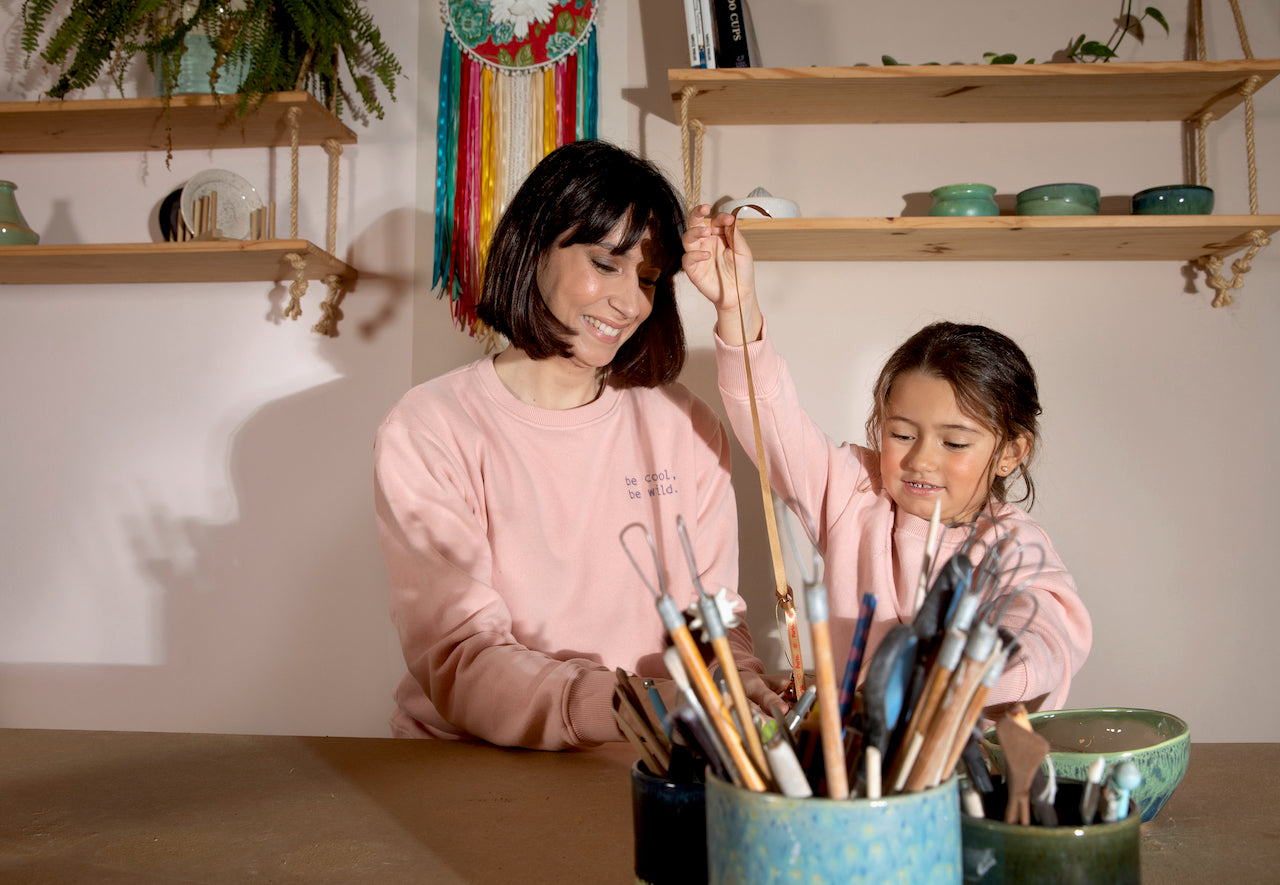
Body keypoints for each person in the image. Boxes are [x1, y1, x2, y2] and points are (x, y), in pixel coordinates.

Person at [374, 143, 779, 749]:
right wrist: (633, 705)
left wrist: (738, 684)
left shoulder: (685, 426)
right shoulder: (430, 427)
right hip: (468, 764)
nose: (631, 302)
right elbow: (462, 656)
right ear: (534, 244)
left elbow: (714, 623)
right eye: (606, 263)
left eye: (647, 279)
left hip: (649, 754)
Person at [682, 206, 1091, 713]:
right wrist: (737, 306)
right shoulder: (855, 494)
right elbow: (773, 422)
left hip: (965, 772)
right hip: (854, 767)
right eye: (901, 434)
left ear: (1011, 452)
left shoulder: (1013, 547)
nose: (921, 459)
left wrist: (967, 671)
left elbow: (1044, 626)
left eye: (955, 443)